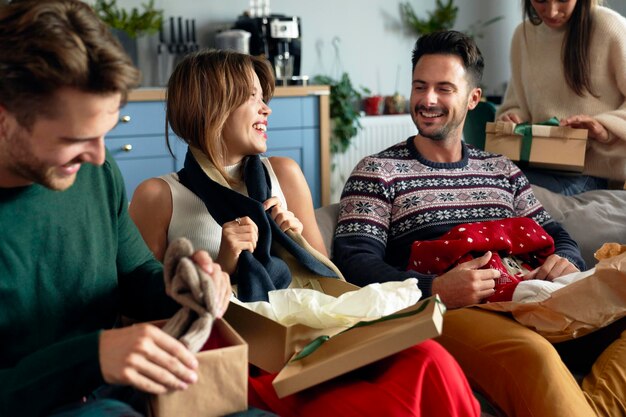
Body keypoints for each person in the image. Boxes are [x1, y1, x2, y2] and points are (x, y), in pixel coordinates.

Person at [129, 48, 482, 417]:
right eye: (252, 98)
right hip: (251, 359)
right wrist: (223, 265)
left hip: (320, 338)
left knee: (430, 358)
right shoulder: (160, 196)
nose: (266, 109)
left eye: (264, 98)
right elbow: (143, 308)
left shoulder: (284, 173)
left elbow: (328, 282)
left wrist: (296, 242)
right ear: (210, 107)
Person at [333, 30, 626, 417]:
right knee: (533, 355)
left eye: (443, 88)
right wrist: (434, 289)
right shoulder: (378, 171)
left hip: (537, 302)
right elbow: (353, 263)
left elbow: (553, 231)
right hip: (450, 314)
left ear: (473, 98)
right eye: (420, 86)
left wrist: (567, 259)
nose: (427, 100)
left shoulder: (501, 170)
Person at [0, 1, 233, 416]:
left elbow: (133, 275)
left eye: (105, 133)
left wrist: (184, 287)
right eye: (75, 139)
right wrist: (93, 356)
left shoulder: (94, 173)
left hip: (113, 392)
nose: (97, 156)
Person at [497, 0, 626, 195]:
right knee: (485, 184)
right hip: (536, 162)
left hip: (591, 173)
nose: (552, 11)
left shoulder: (609, 26)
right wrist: (513, 117)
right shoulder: (523, 35)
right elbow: (515, 104)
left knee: (506, 192)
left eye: (563, 0)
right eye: (540, 0)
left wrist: (604, 128)